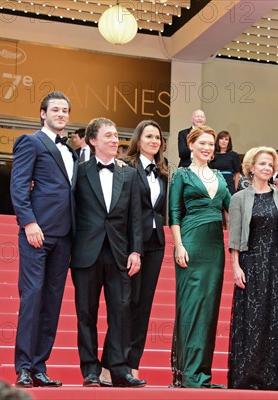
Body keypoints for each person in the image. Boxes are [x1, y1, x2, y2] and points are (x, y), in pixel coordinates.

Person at [70, 117, 144, 388]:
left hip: (119, 253)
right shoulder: (78, 171)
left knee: (121, 312)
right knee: (86, 313)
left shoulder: (129, 173)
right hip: (85, 253)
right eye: (109, 136)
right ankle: (90, 369)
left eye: (116, 136)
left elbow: (135, 216)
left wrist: (136, 250)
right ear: (92, 141)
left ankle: (118, 368)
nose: (115, 140)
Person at [10, 91, 78, 388]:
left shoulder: (71, 151)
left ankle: (40, 366)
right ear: (43, 113)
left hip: (65, 236)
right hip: (37, 233)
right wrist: (28, 223)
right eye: (55, 110)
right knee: (32, 298)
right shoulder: (31, 141)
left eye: (65, 110)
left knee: (52, 302)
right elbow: (19, 185)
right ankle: (24, 366)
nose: (61, 114)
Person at [227, 147, 278, 390]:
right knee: (250, 320)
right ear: (251, 167)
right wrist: (236, 267)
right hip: (250, 263)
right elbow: (234, 237)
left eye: (271, 165)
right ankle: (247, 377)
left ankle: (273, 378)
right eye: (263, 164)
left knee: (275, 318)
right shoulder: (239, 198)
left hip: (276, 264)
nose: (267, 168)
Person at [169, 125, 231, 388]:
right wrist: (178, 245)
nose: (207, 148)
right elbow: (173, 213)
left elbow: (234, 208)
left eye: (211, 144)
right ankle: (189, 373)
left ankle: (203, 375)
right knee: (192, 307)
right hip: (191, 244)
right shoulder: (181, 175)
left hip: (215, 246)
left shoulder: (220, 176)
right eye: (202, 143)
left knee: (208, 309)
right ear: (191, 145)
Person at [125, 120, 169, 381]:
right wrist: (131, 245)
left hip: (155, 243)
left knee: (144, 307)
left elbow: (159, 208)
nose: (154, 141)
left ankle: (133, 365)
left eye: (158, 138)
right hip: (133, 242)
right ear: (138, 139)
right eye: (149, 136)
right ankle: (114, 363)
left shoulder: (162, 172)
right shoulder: (127, 167)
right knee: (128, 303)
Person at [210, 130, 241, 195]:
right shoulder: (212, 154)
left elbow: (237, 174)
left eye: (226, 139)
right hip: (214, 184)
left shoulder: (233, 155)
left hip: (228, 184)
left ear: (229, 142)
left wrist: (234, 190)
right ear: (217, 140)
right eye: (221, 139)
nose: (223, 141)